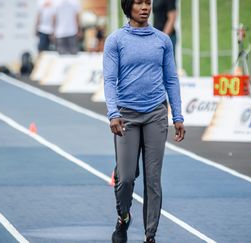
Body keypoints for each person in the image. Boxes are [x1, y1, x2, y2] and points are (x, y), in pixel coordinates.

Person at [103, 0, 185, 242]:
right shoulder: (115, 40)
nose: (145, 7)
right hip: (126, 115)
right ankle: (123, 217)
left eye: (148, 2)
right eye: (138, 2)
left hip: (156, 114)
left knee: (153, 180)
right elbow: (109, 80)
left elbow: (171, 79)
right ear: (128, 6)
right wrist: (113, 113)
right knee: (126, 178)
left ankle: (150, 236)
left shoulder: (162, 40)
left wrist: (177, 116)